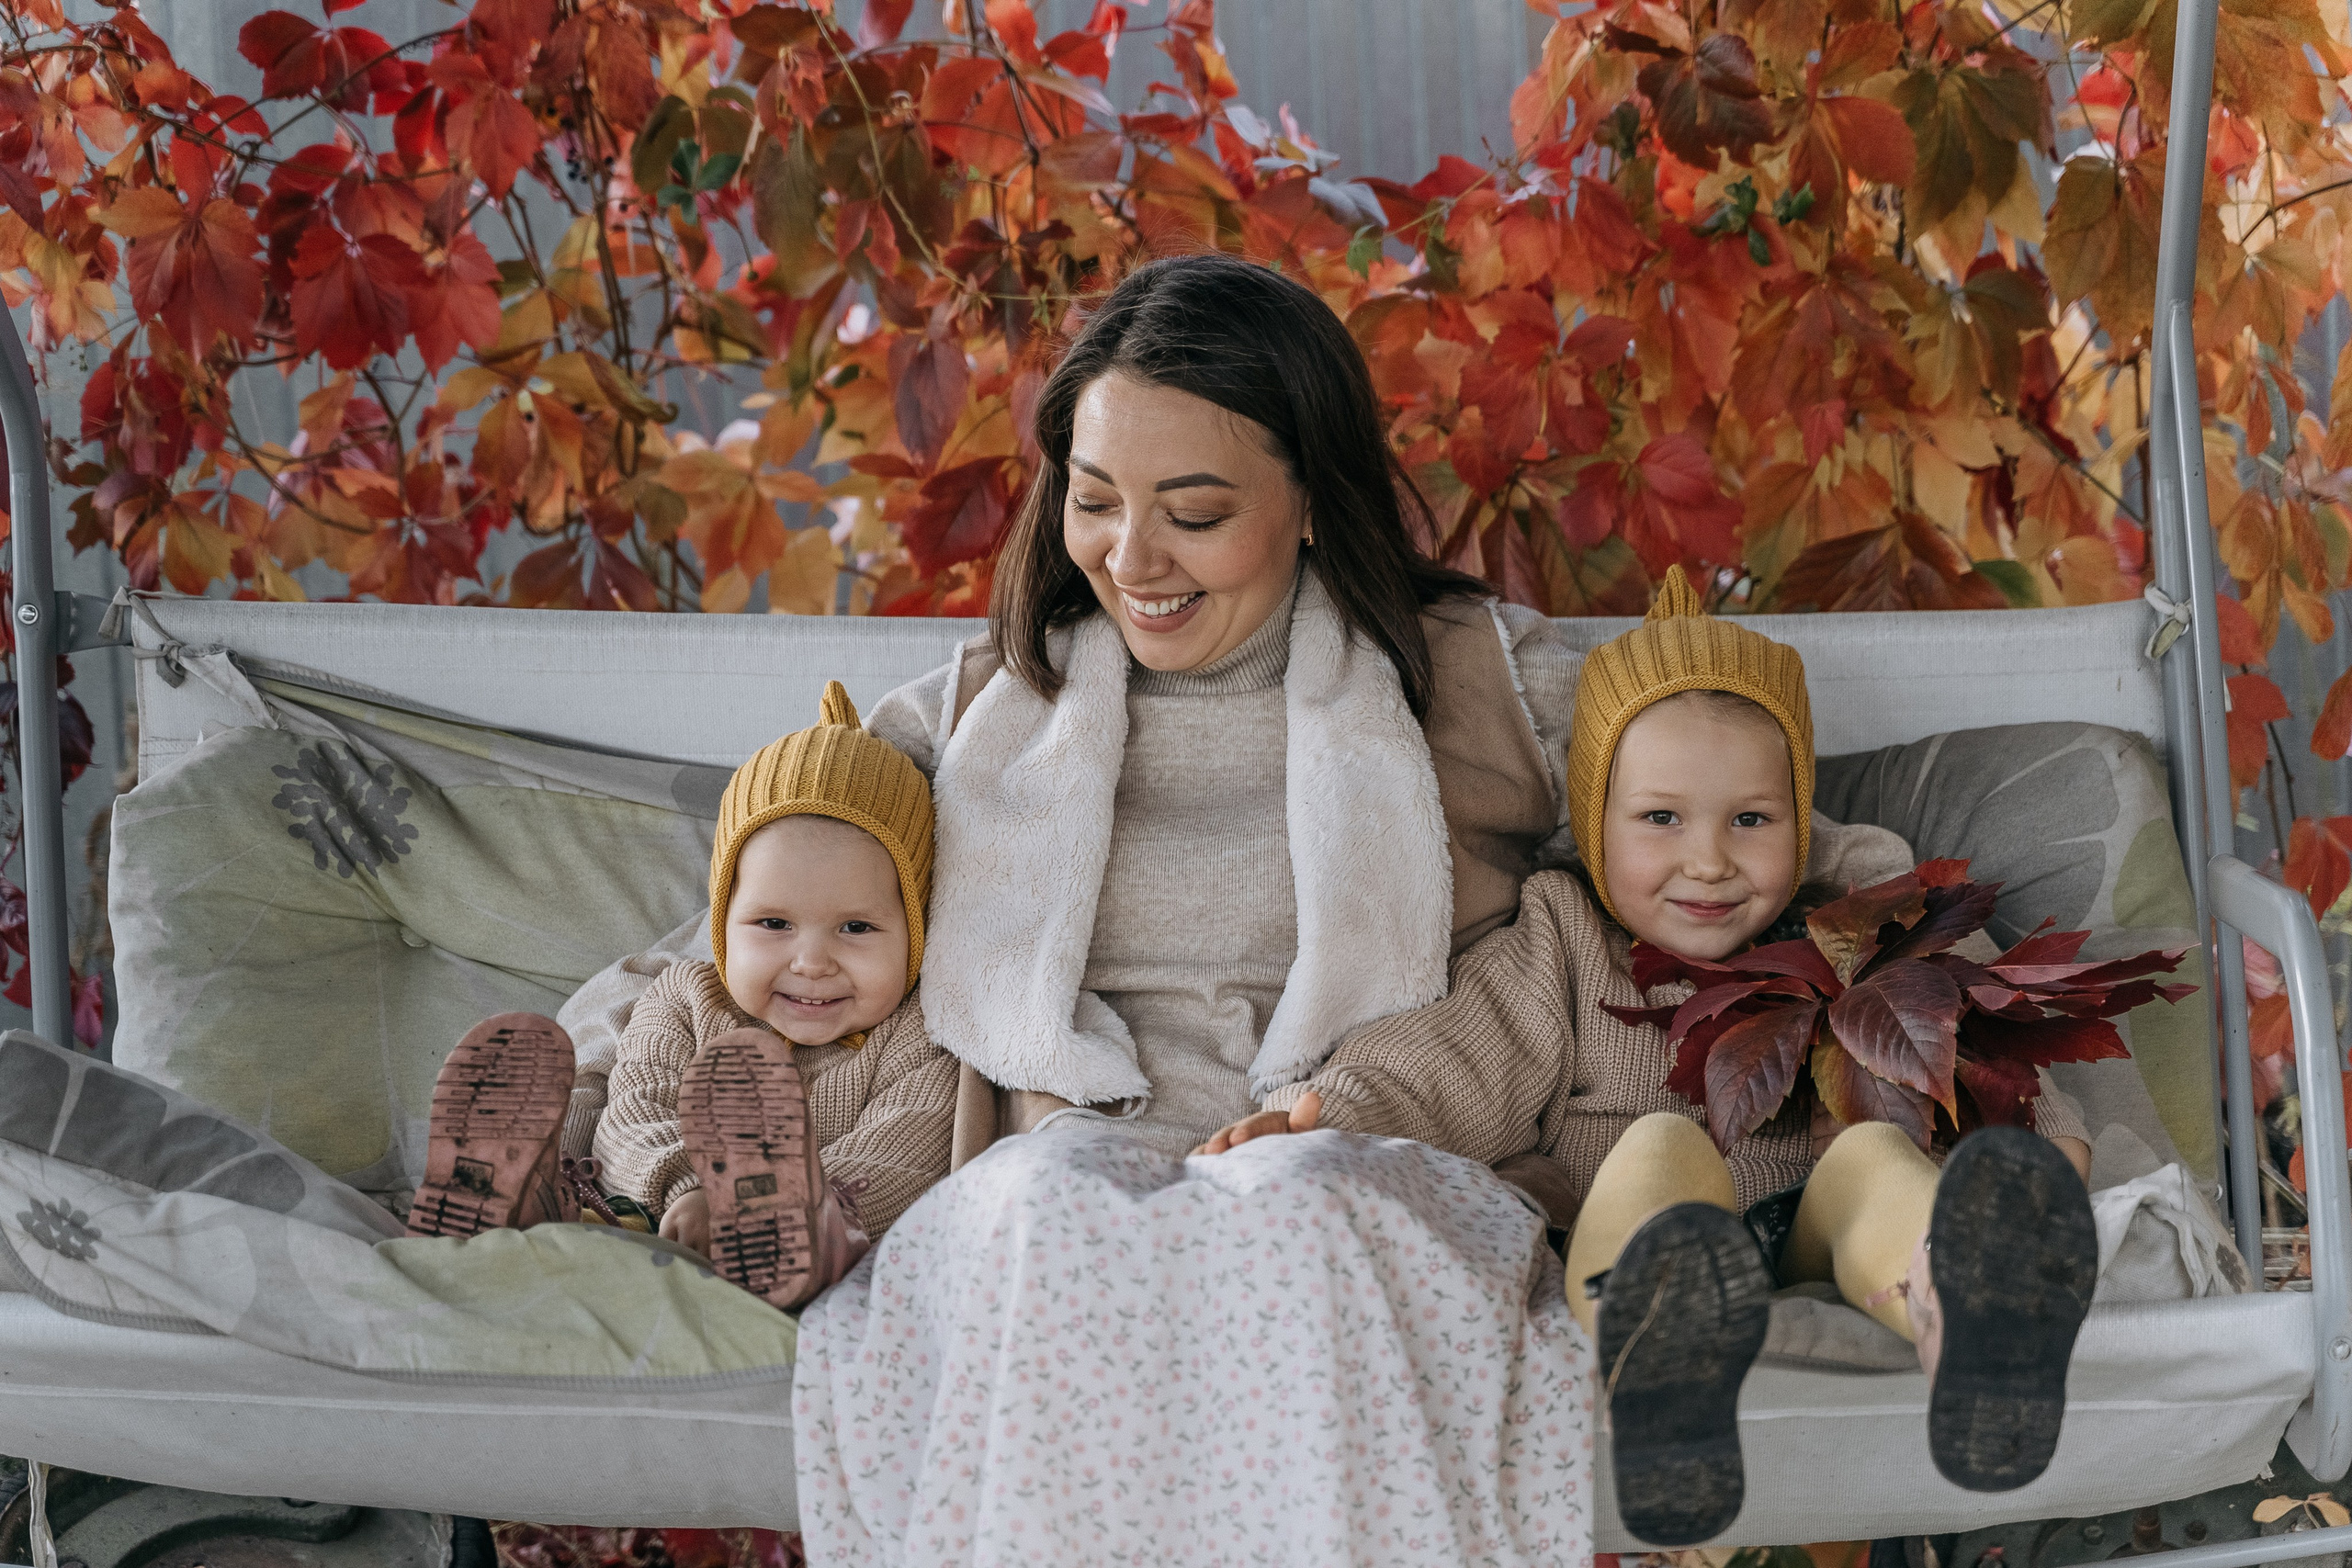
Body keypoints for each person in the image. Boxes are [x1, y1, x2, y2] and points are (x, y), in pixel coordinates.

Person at [559, 252, 1628, 1566]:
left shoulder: (1473, 681)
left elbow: (1721, 802)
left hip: (1344, 1164)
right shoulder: (980, 711)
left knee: (1295, 1215)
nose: (1132, 556)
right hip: (1056, 1179)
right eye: (1097, 498)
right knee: (1050, 1200)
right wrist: (586, 1094)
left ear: (1309, 499)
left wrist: (1908, 947)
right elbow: (749, 930)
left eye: (1192, 508)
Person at [1203, 566, 2101, 1547]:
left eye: (1750, 820)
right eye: (1660, 819)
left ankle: (1973, 1314)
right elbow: (1452, 1061)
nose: (1708, 861)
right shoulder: (1564, 940)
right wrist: (1324, 1113)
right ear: (1595, 825)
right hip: (1639, 1227)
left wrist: (2046, 1152)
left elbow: (1978, 1053)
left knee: (1873, 1161)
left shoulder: (1855, 938)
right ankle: (1663, 1371)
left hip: (1810, 1229)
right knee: (1660, 1150)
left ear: (1800, 822)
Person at [407, 682, 957, 1312]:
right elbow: (635, 1109)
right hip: (644, 1217)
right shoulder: (686, 997)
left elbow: (907, 1152)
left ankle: (797, 1231)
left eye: (856, 928)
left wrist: (789, 1205)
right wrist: (692, 1192)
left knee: (845, 1223)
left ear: (914, 929)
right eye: (773, 924)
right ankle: (514, 1193)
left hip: (822, 1236)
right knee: (584, 1126)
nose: (811, 961)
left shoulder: (922, 1031)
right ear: (722, 921)